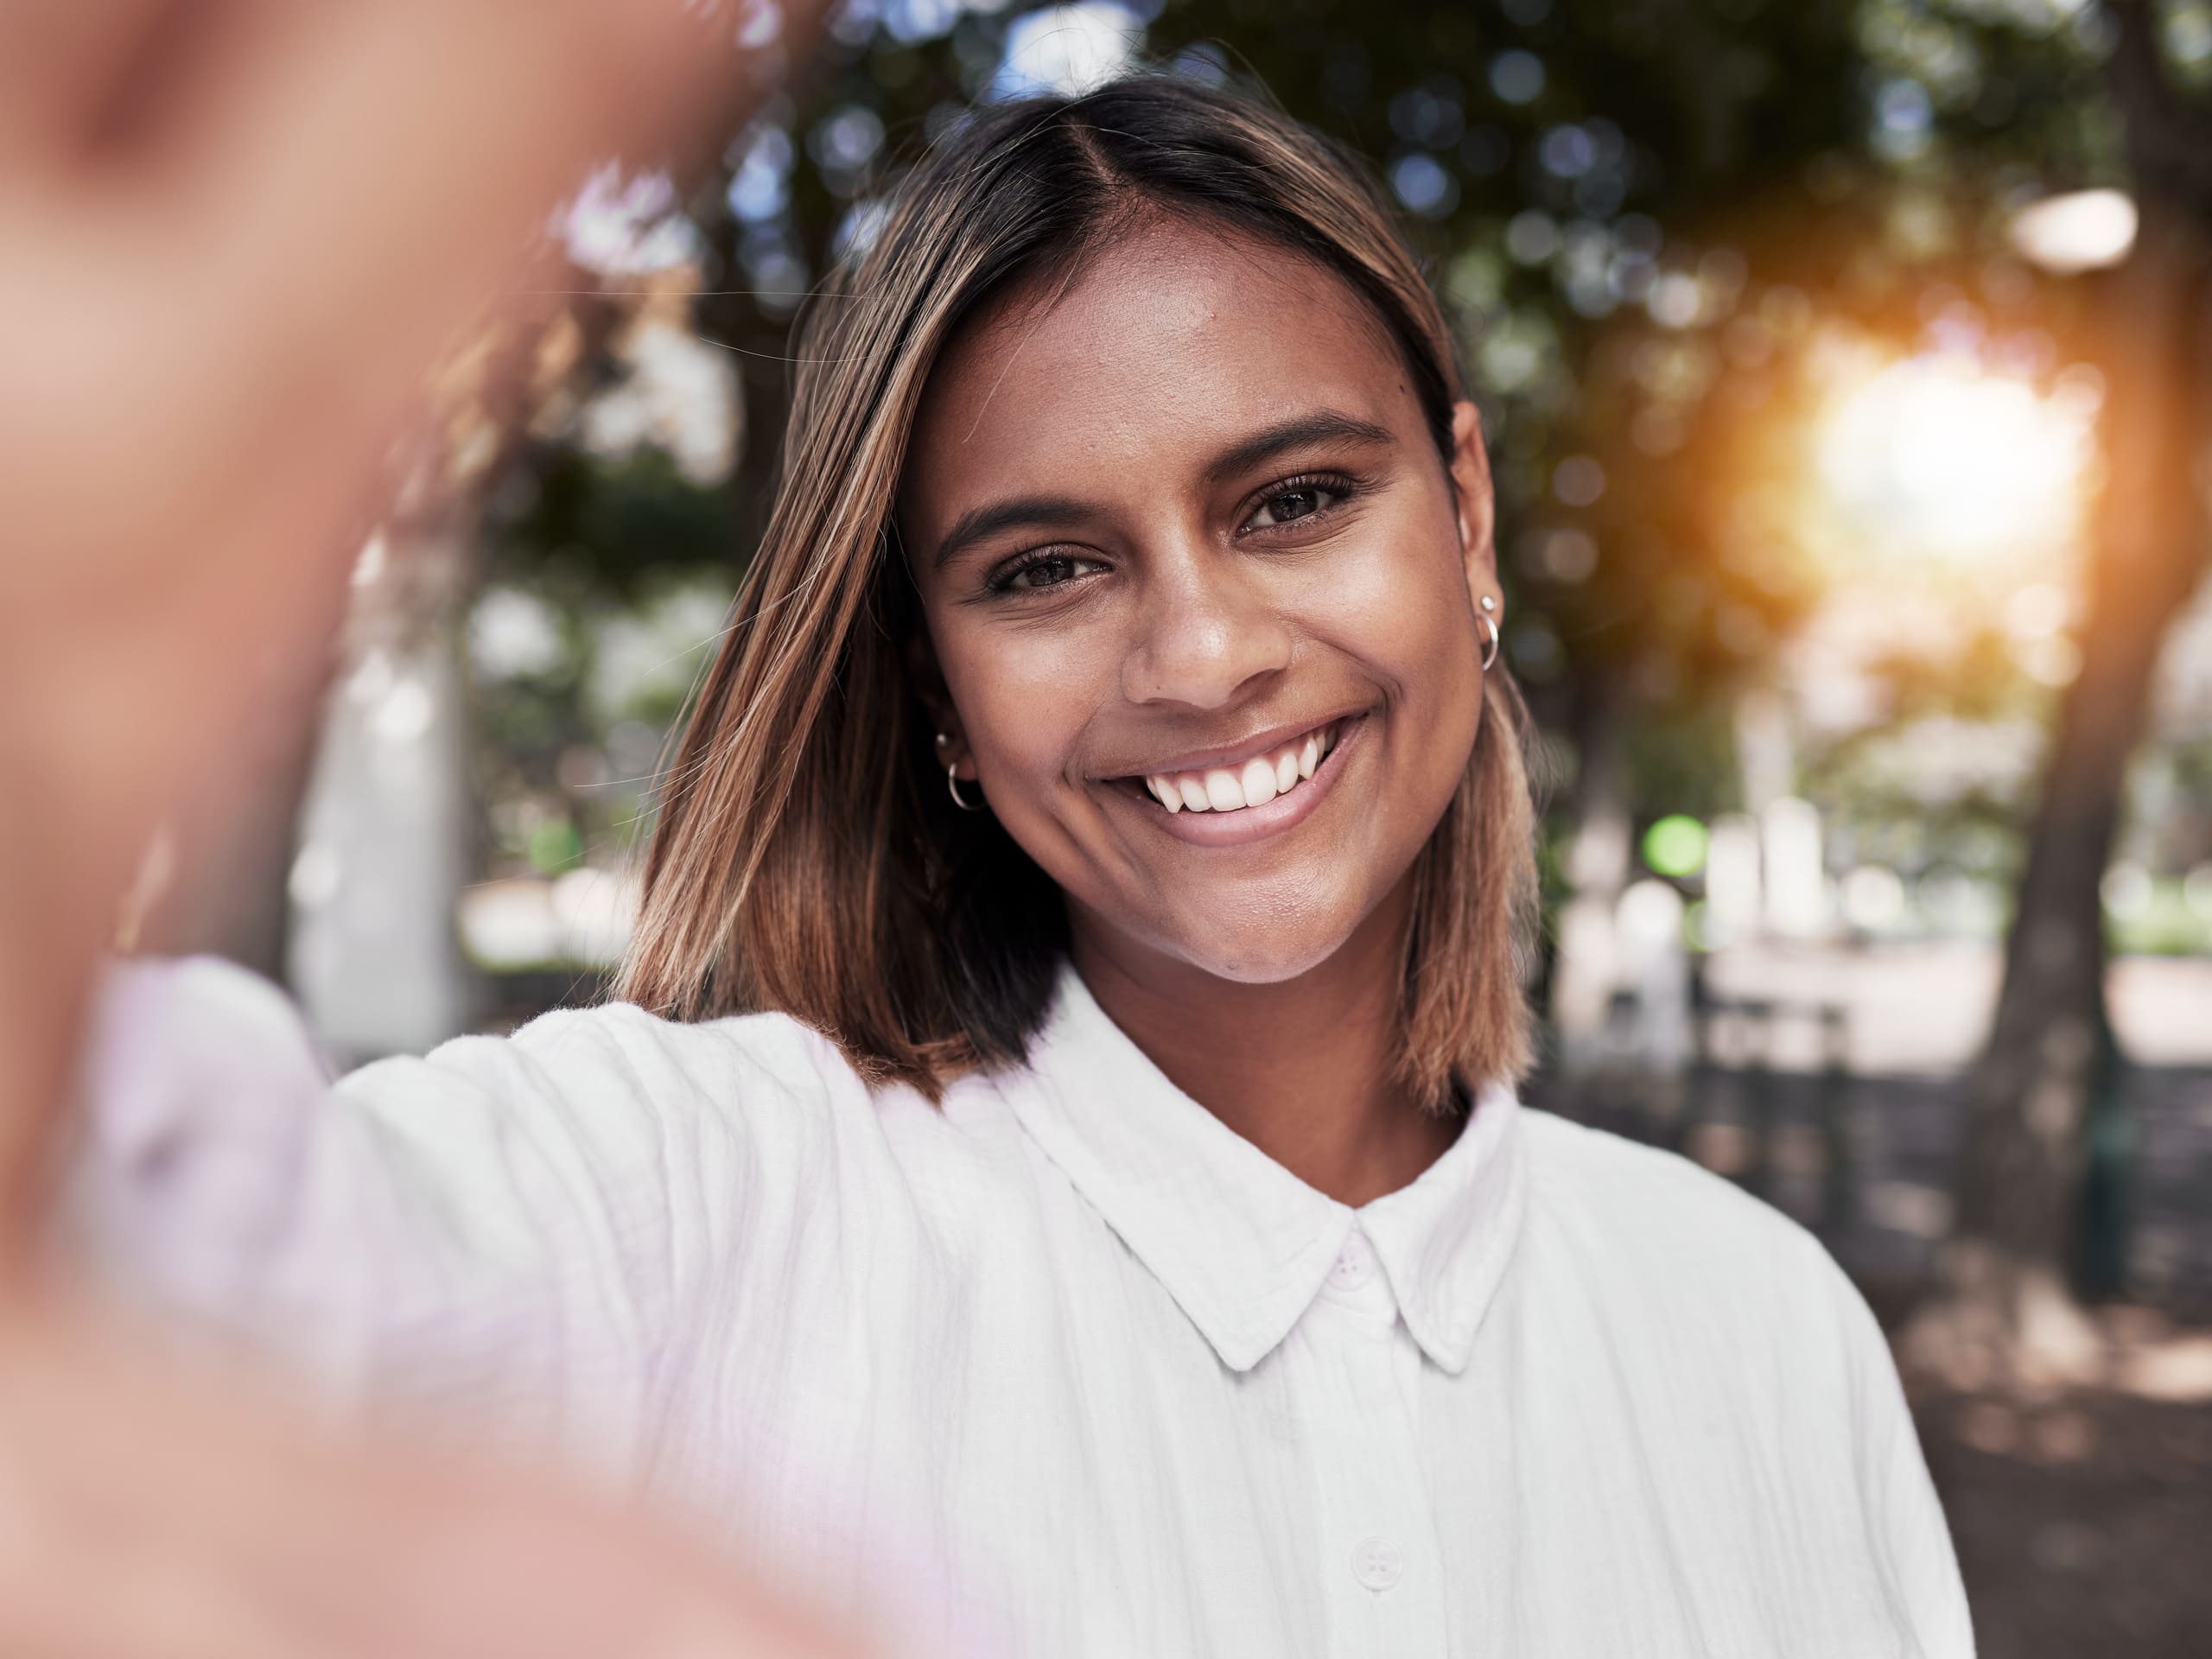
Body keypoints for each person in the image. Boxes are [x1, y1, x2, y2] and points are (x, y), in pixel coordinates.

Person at [60, 73, 1974, 1659]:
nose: (1203, 655)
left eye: (1295, 501)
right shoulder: (690, 1206)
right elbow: (133, 1256)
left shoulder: (1756, 1322)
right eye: (1043, 568)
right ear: (937, 689)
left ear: (1465, 520)